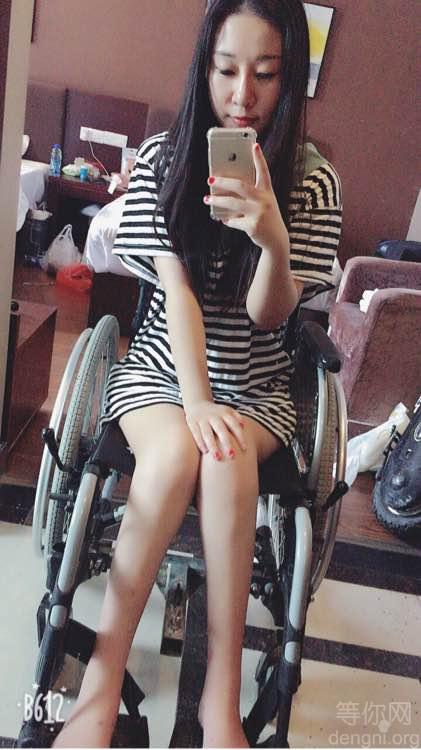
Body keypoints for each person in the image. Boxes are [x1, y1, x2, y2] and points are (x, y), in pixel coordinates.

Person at [53, 0, 342, 747]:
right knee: (178, 451)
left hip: (257, 380)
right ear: (202, 68)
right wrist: (195, 398)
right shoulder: (162, 159)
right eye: (226, 69)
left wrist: (272, 239)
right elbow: (174, 294)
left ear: (290, 78)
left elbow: (270, 318)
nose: (242, 95)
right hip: (162, 367)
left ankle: (220, 699)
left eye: (265, 74)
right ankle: (99, 687)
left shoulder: (312, 182)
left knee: (225, 452)